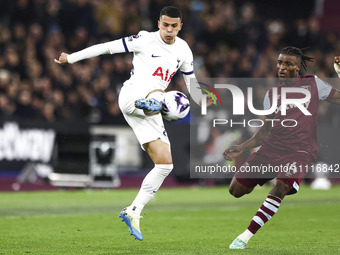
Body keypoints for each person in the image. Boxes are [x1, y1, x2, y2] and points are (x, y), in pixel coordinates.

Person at [55, 6, 204, 241]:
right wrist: (71, 58)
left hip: (150, 108)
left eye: (173, 26)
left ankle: (133, 211)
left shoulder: (184, 50)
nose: (169, 29)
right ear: (158, 23)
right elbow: (107, 47)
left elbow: (192, 82)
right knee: (165, 95)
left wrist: (202, 100)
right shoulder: (144, 39)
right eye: (165, 25)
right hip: (132, 96)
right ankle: (157, 104)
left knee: (165, 164)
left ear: (180, 27)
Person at [223, 46, 340, 249]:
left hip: (300, 151)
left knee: (280, 188)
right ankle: (269, 176)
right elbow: (265, 131)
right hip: (271, 148)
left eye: (287, 63)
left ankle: (245, 236)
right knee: (236, 190)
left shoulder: (313, 84)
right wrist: (242, 147)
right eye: (279, 62)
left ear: (297, 68)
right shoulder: (272, 94)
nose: (282, 67)